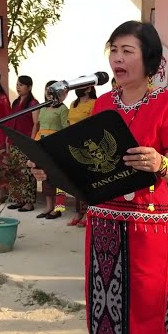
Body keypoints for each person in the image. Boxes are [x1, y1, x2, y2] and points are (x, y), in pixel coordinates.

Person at [29, 20, 168, 334]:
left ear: (148, 59)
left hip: (147, 221)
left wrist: (157, 163)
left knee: (145, 301)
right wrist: (52, 170)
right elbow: (88, 164)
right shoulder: (103, 104)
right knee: (104, 302)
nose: (117, 58)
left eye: (127, 51)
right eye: (113, 50)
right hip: (104, 219)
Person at [32, 80, 69, 219]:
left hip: (56, 145)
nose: (49, 93)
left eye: (52, 90)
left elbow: (66, 128)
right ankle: (48, 206)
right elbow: (39, 125)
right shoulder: (42, 108)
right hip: (42, 144)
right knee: (44, 176)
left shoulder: (63, 109)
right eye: (47, 90)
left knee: (57, 177)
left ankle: (59, 208)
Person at [65, 81, 97, 227]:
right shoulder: (73, 104)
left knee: (88, 181)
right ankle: (78, 212)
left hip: (88, 145)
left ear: (89, 88)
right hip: (73, 144)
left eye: (81, 86)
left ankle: (87, 213)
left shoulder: (95, 103)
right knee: (76, 181)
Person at [6, 75, 39, 213]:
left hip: (26, 141)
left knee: (27, 173)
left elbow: (36, 123)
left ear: (29, 87)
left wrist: (31, 141)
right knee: (16, 171)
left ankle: (28, 202)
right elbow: (12, 121)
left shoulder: (33, 103)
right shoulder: (15, 102)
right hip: (15, 141)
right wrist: (8, 139)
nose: (18, 87)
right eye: (17, 84)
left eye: (21, 85)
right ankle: (18, 199)